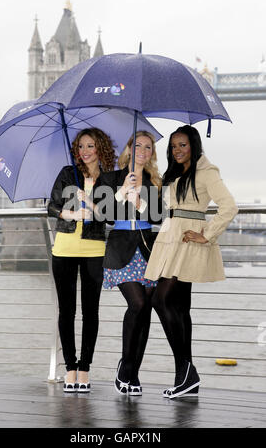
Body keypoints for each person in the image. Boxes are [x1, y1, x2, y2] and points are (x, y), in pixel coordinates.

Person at [145, 125, 238, 399]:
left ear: (194, 145)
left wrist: (206, 235)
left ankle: (187, 371)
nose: (177, 150)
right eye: (174, 146)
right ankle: (185, 377)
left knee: (160, 300)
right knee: (180, 307)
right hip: (171, 237)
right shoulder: (175, 173)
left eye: (183, 145)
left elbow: (229, 206)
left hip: (188, 242)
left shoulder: (207, 172)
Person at [47, 127, 116, 393]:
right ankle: (70, 369)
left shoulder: (109, 179)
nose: (84, 151)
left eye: (90, 146)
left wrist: (93, 205)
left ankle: (85, 368)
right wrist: (69, 215)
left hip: (94, 251)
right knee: (66, 311)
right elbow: (51, 205)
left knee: (91, 312)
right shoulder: (67, 173)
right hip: (64, 249)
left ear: (100, 148)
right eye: (80, 146)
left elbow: (110, 216)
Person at [100, 131, 162, 396]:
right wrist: (121, 193)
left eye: (148, 147)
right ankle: (125, 367)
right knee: (137, 303)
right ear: (128, 148)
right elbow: (103, 215)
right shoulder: (111, 177)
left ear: (152, 154)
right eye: (138, 145)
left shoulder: (154, 180)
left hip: (148, 248)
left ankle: (133, 372)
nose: (143, 150)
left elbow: (159, 215)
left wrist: (139, 200)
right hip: (121, 248)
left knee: (145, 309)